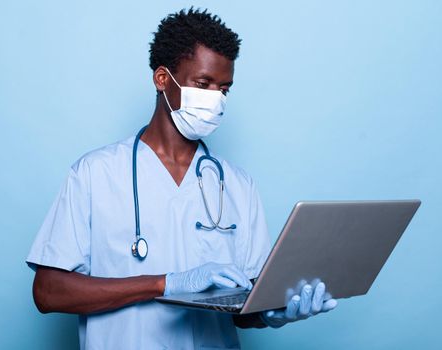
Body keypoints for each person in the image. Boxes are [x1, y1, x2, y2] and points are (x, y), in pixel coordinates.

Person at [26, 8, 337, 349]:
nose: (215, 99)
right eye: (203, 84)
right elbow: (48, 292)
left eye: (224, 89)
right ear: (162, 79)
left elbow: (244, 306)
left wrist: (272, 313)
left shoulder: (236, 185)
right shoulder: (95, 174)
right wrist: (165, 283)